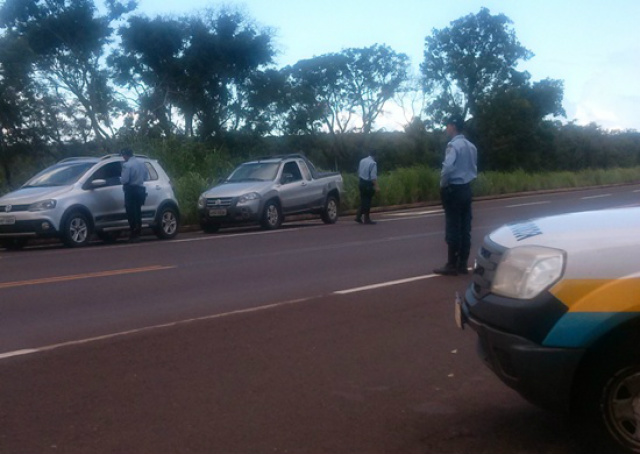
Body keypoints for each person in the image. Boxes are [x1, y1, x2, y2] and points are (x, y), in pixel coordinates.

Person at [433, 115, 478, 276]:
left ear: (453, 126)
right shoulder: (471, 146)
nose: (446, 128)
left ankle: (451, 264)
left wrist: (442, 185)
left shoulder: (453, 145)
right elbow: (473, 168)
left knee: (453, 226)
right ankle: (462, 264)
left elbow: (447, 168)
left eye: (448, 125)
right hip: (467, 189)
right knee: (465, 227)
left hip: (454, 189)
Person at [120, 148, 148, 242]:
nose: (123, 157)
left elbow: (124, 180)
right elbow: (145, 177)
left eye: (123, 155)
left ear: (126, 155)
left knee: (131, 212)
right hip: (140, 189)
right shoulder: (141, 163)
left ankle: (134, 232)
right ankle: (138, 231)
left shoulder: (126, 165)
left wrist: (120, 179)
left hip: (131, 190)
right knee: (138, 211)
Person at [355, 149, 380, 225]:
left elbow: (359, 172)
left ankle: (359, 216)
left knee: (363, 200)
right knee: (368, 201)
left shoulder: (362, 160)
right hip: (368, 184)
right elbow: (373, 177)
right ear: (375, 155)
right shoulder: (373, 163)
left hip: (361, 182)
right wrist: (377, 187)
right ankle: (366, 218)